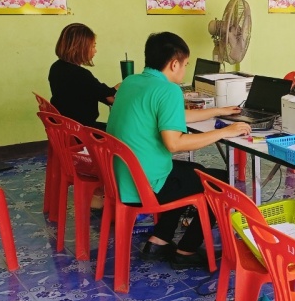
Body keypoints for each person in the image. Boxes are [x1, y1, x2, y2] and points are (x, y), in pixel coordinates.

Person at [107, 32, 251, 269]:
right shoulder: (169, 90)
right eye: (185, 65)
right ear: (174, 64)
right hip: (146, 185)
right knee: (220, 182)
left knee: (193, 172)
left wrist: (218, 111)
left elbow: (173, 115)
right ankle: (186, 250)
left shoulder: (131, 82)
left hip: (122, 177)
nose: (185, 70)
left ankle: (159, 240)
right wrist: (224, 132)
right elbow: (174, 143)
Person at [49, 23, 118, 130]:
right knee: (121, 132)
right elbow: (106, 94)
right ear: (80, 47)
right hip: (81, 131)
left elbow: (97, 92)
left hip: (65, 127)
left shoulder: (56, 67)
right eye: (93, 46)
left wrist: (109, 93)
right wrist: (122, 86)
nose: (95, 50)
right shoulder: (80, 74)